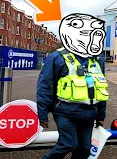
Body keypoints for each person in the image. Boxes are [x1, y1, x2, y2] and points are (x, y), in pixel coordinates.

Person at [37, 13, 109, 159]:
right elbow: (45, 86)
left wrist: (101, 115)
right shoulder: (56, 57)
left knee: (84, 148)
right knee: (68, 143)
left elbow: (100, 88)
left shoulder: (97, 60)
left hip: (89, 112)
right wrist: (43, 115)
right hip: (65, 111)